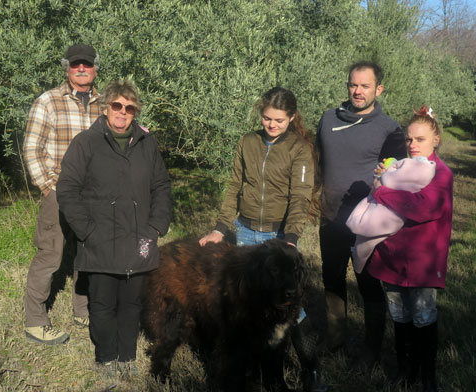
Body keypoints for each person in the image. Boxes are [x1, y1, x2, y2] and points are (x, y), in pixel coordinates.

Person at [199, 87, 326, 392]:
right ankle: (254, 369)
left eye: (279, 120)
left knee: (292, 305)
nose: (272, 125)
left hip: (278, 235)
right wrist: (220, 227)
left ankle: (312, 370)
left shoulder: (298, 148)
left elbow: (300, 197)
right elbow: (234, 186)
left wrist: (291, 238)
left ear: (291, 118)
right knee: (251, 303)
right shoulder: (248, 141)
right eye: (267, 118)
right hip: (245, 231)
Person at [57, 79, 172, 379]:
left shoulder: (148, 145)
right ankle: (106, 357)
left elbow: (161, 186)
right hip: (99, 241)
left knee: (132, 303)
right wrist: (87, 231)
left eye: (129, 108)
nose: (122, 112)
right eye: (117, 106)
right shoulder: (86, 143)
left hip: (141, 240)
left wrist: (156, 227)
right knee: (103, 304)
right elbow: (67, 189)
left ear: (136, 112)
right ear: (106, 107)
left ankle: (128, 355)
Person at [315, 61, 406, 364]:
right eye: (353, 84)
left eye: (365, 86)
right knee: (332, 280)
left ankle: (372, 348)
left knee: (368, 283)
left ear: (378, 89)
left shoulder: (391, 129)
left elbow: (398, 178)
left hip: (368, 221)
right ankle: (335, 338)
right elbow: (317, 162)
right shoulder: (328, 119)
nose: (357, 91)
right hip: (330, 216)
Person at [367, 106, 453, 392]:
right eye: (409, 139)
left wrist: (382, 189)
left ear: (436, 139)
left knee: (423, 315)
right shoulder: (399, 167)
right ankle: (406, 371)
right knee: (399, 315)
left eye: (421, 139)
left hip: (421, 259)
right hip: (392, 254)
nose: (413, 145)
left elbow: (422, 207)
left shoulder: (441, 173)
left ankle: (428, 377)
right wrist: (380, 181)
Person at [22, 44, 102, 345]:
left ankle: (83, 311)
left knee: (87, 253)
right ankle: (36, 321)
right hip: (58, 191)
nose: (81, 69)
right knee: (49, 255)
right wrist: (47, 187)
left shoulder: (104, 103)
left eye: (87, 64)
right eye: (75, 64)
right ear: (66, 67)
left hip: (92, 196)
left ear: (95, 68)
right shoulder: (48, 101)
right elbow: (32, 149)